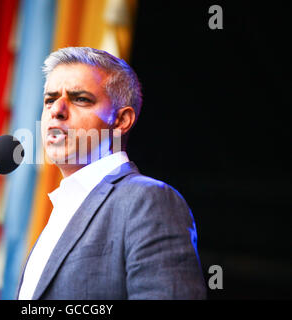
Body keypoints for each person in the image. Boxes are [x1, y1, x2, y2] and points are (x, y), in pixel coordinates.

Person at [17, 47, 206, 299]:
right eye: (50, 99)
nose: (57, 110)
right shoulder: (60, 213)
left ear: (120, 121)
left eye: (80, 99)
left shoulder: (147, 200)